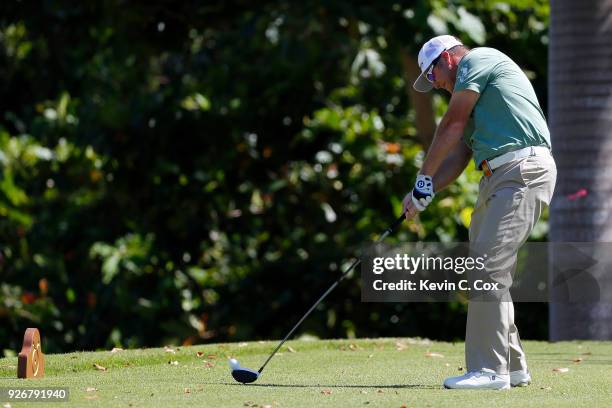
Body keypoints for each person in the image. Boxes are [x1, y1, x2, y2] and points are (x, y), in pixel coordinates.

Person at [402, 35, 556, 389]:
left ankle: (489, 371)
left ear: (448, 59)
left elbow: (451, 124)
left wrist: (423, 176)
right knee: (486, 268)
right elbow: (458, 155)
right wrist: (423, 191)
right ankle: (513, 365)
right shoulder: (474, 102)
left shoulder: (478, 60)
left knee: (487, 268)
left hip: (522, 171)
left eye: (433, 74)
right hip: (495, 178)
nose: (435, 84)